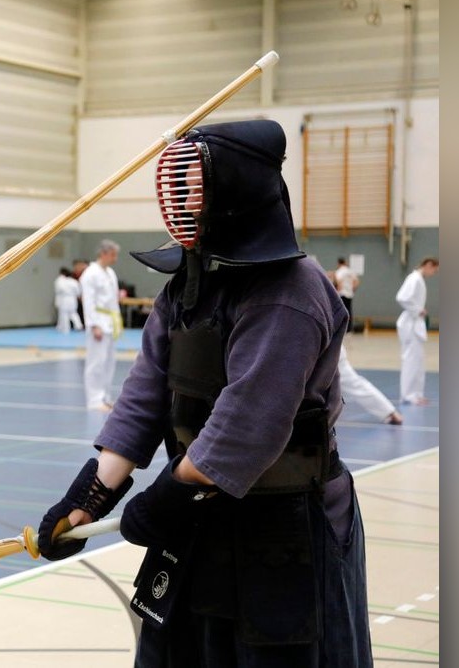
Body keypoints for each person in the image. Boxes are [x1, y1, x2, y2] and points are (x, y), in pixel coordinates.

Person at [35, 120, 372, 667]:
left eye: (196, 180)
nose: (182, 194)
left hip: (284, 526)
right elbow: (144, 399)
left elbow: (247, 426)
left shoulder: (289, 293)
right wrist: (87, 500)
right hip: (199, 517)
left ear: (236, 187)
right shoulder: (187, 281)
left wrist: (162, 500)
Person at [80, 240, 121, 412]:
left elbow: (113, 300)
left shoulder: (110, 273)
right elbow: (88, 301)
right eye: (113, 254)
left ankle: (105, 397)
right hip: (98, 321)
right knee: (96, 363)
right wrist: (93, 324)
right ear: (103, 253)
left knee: (109, 362)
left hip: (110, 322)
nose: (115, 258)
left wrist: (117, 321)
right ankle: (94, 400)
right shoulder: (90, 274)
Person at [395, 256, 439, 405]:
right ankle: (408, 395)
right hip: (410, 325)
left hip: (415, 324)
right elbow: (402, 297)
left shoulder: (418, 279)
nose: (434, 273)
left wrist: (419, 310)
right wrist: (418, 310)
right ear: (428, 265)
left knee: (418, 361)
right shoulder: (414, 278)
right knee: (411, 360)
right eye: (434, 269)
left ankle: (417, 394)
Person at [339, 345, 402, 424]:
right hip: (333, 347)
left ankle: (389, 412)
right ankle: (389, 412)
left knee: (350, 381)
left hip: (330, 348)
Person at [333, 257, 359, 332]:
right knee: (349, 311)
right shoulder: (350, 271)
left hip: (342, 294)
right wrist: (352, 290)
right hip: (349, 294)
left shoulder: (339, 271)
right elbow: (356, 281)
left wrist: (338, 290)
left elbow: (338, 281)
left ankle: (341, 328)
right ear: (345, 262)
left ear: (338, 263)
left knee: (341, 311)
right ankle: (349, 328)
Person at [54, 267, 83, 333]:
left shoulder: (60, 281)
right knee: (73, 313)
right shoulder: (74, 281)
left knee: (64, 314)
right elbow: (78, 291)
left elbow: (58, 290)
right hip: (73, 299)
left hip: (64, 299)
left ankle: (65, 328)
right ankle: (79, 326)